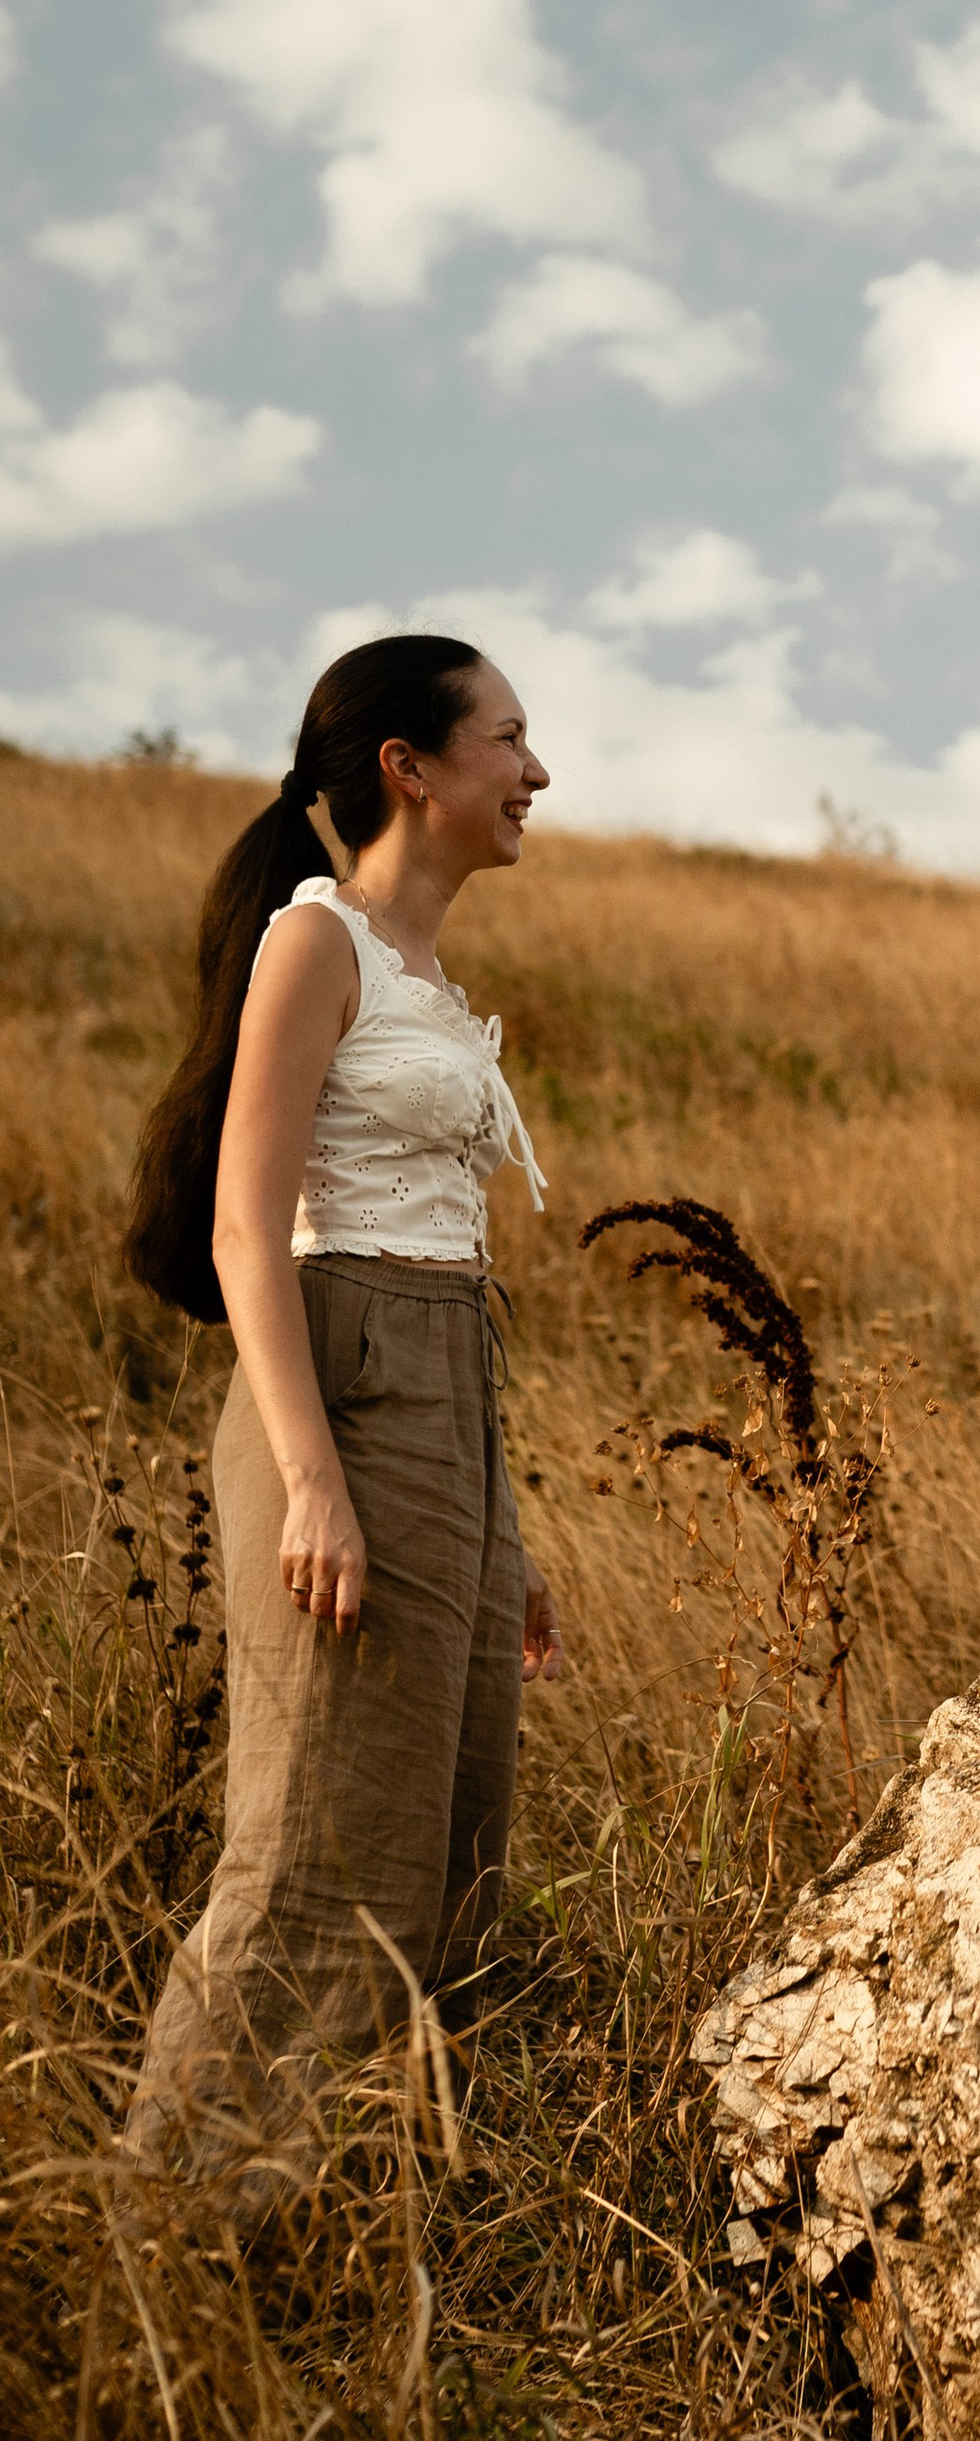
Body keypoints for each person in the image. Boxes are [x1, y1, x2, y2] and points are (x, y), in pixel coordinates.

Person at [121, 634, 560, 2191]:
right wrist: (313, 1481)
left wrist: (500, 1525)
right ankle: (161, 2243)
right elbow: (252, 1225)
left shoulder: (431, 976)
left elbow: (449, 1249)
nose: (536, 772)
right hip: (343, 1385)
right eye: (507, 738)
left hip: (447, 1388)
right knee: (319, 1844)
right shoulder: (320, 944)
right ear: (409, 768)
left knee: (445, 1835)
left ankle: (312, 2223)